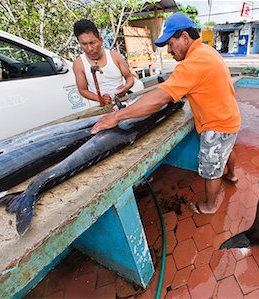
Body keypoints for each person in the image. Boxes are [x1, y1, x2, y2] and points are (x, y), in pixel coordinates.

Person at [91, 12, 241, 215]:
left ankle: (210, 206)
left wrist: (116, 116)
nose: (169, 51)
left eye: (170, 44)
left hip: (216, 126)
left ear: (185, 37)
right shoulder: (206, 52)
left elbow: (160, 98)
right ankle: (232, 175)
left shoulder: (192, 64)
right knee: (226, 151)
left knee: (211, 171)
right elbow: (200, 82)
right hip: (230, 118)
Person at [73, 19, 135, 107]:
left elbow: (129, 78)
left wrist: (125, 88)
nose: (89, 48)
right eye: (84, 44)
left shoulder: (115, 57)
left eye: (92, 43)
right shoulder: (78, 64)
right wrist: (99, 98)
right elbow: (83, 90)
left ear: (101, 40)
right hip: (101, 108)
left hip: (123, 102)